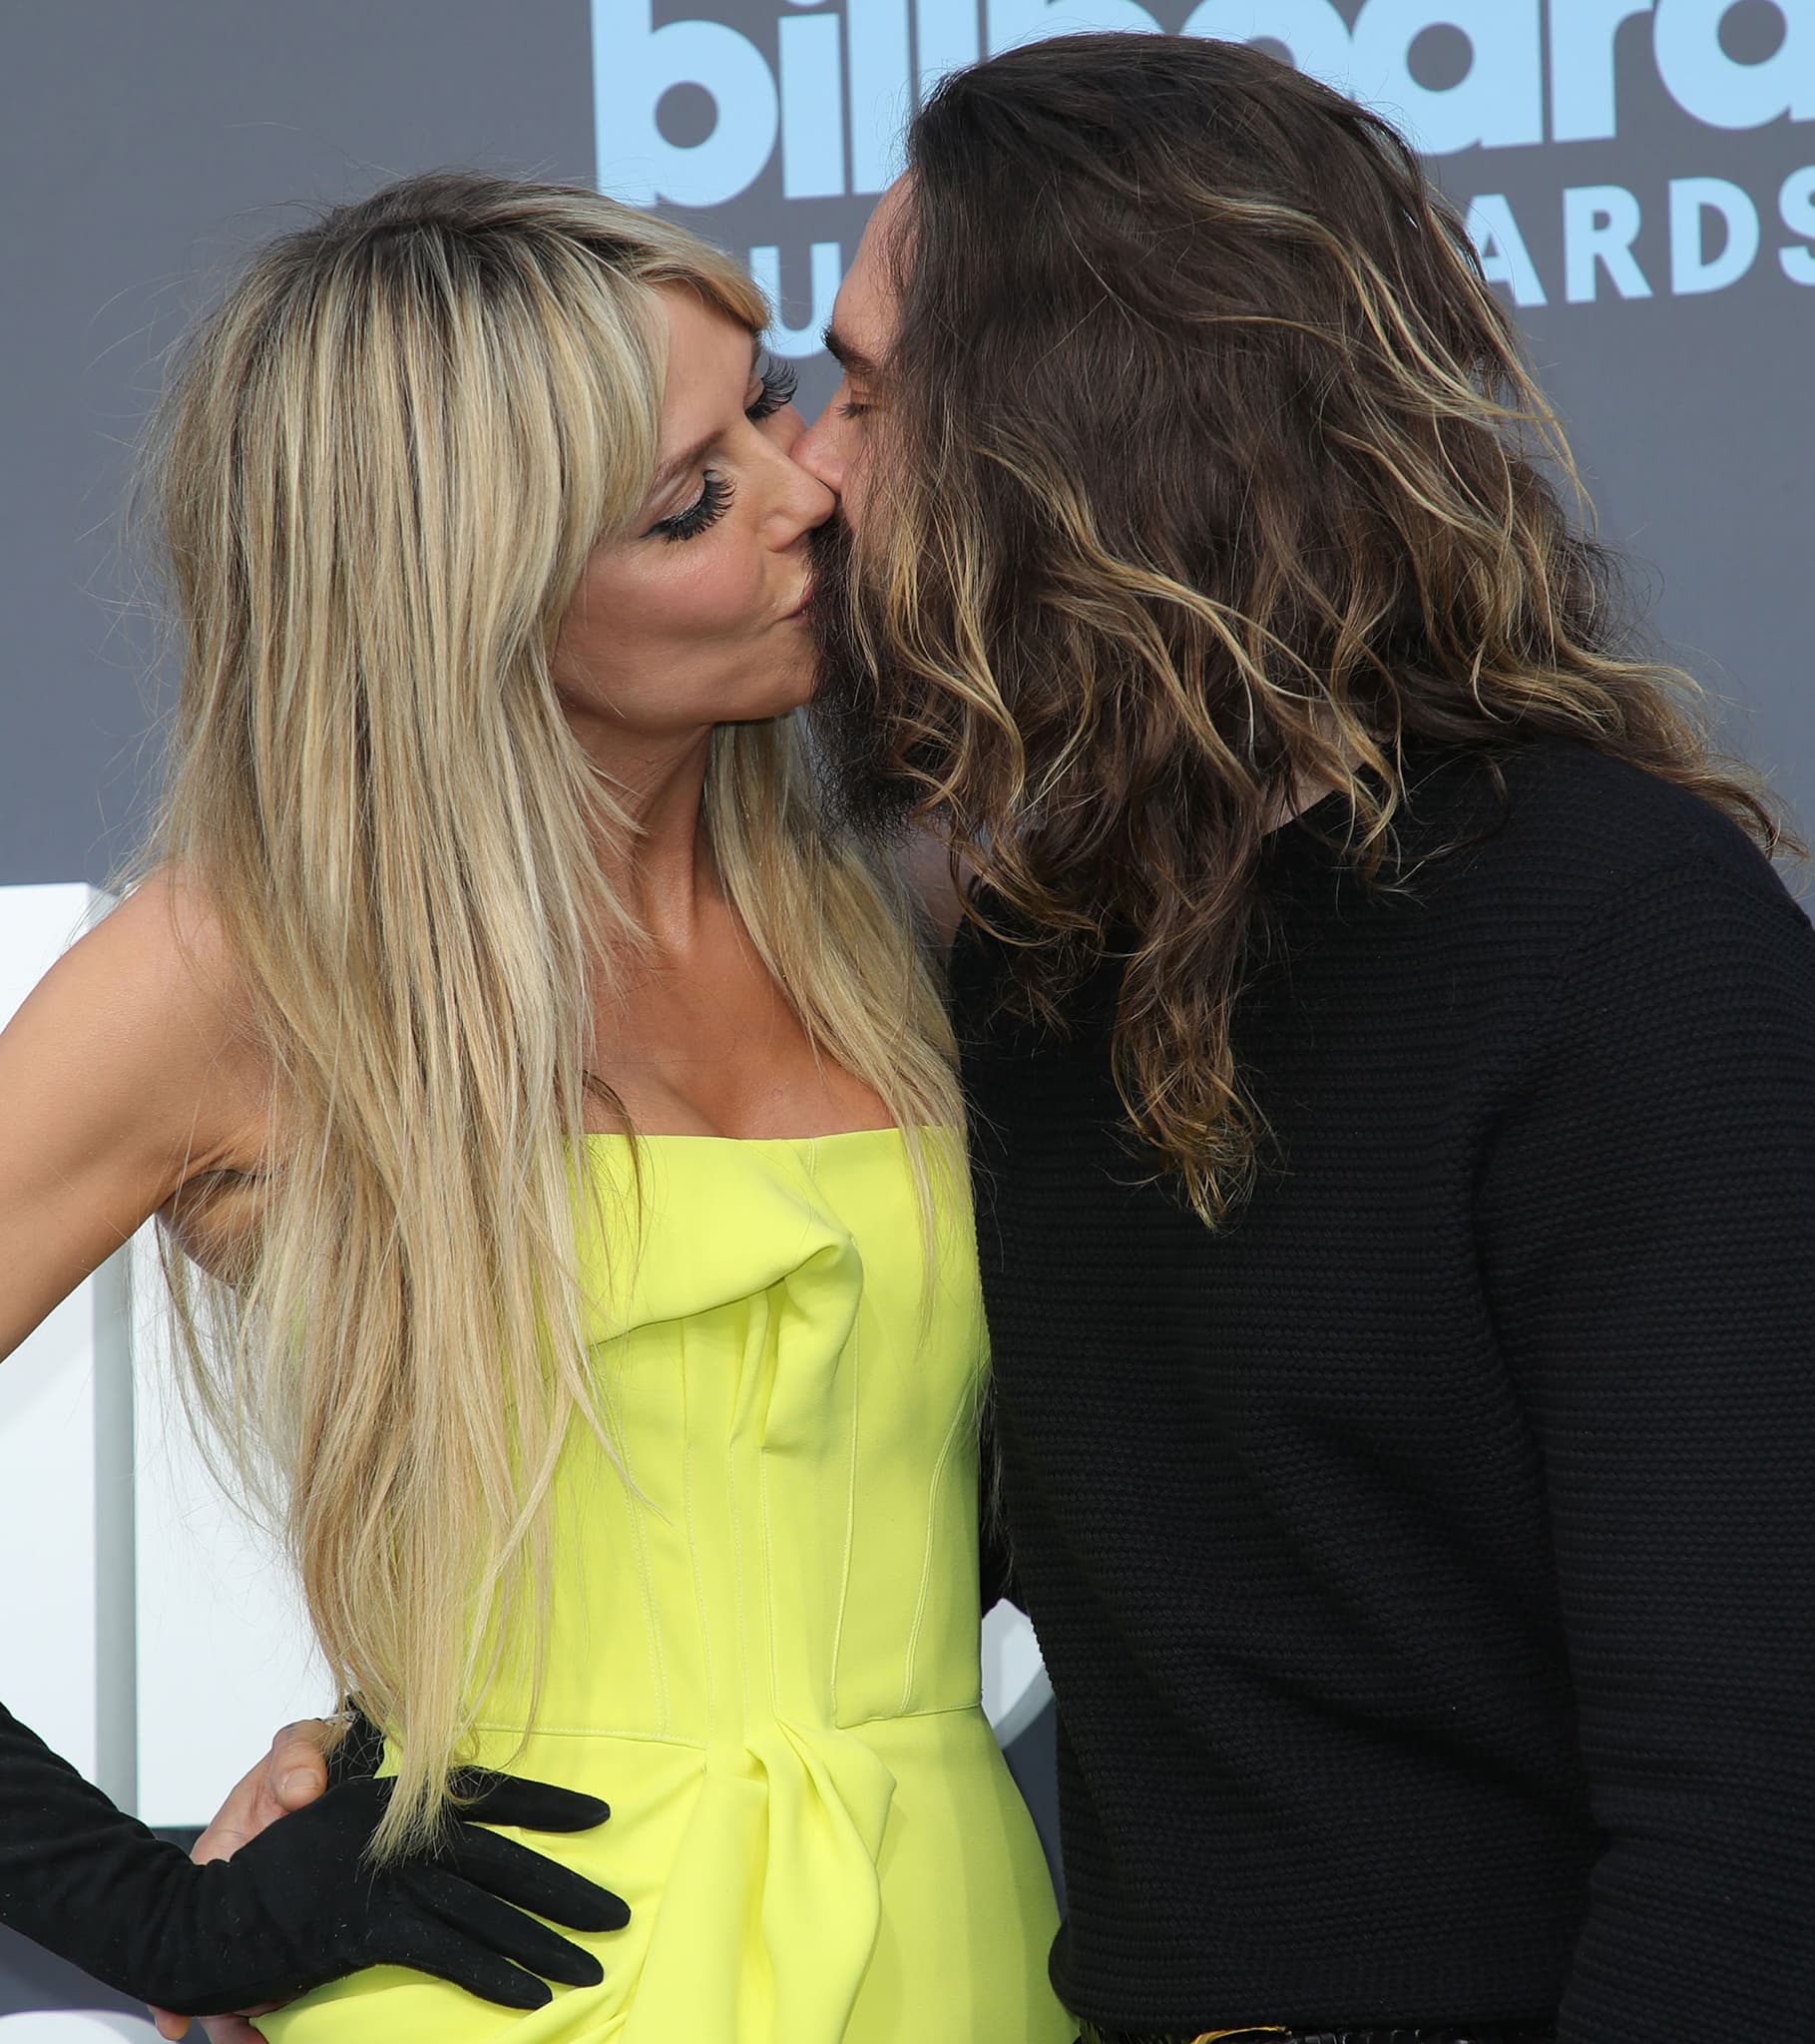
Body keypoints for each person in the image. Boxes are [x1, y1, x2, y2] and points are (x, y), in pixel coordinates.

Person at [791, 33, 1815, 2044]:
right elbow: (818, 1587)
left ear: (1083, 435)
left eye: (877, 391)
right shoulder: (1009, 975)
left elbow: (1750, 1846)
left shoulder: (1624, 952)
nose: (815, 467)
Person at [0, 171, 1069, 2044]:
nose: (807, 487)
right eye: (692, 499)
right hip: (510, 1991)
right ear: (467, 596)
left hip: (968, 1959)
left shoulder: (915, 918)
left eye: (765, 407)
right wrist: (155, 1917)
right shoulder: (245, 972)